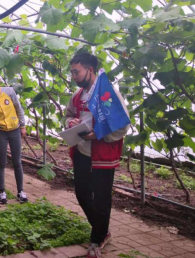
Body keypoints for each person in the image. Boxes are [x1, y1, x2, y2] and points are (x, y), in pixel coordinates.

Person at [65, 52, 129, 258]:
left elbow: (122, 124)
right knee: (82, 193)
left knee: (102, 198)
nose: (74, 76)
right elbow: (69, 115)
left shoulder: (108, 94)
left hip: (102, 152)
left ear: (90, 70)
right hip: (83, 150)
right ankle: (103, 230)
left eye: (77, 71)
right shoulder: (77, 96)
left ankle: (97, 239)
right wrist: (71, 123)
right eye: (72, 72)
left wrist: (99, 134)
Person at [0, 71, 28, 204]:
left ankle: (20, 191)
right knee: (2, 162)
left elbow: (19, 108)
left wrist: (23, 125)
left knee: (17, 161)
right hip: (0, 132)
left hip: (15, 130)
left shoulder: (10, 92)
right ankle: (2, 192)